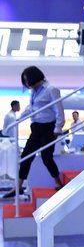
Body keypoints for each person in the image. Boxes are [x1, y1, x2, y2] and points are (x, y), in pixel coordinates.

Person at [0, 67, 64, 200]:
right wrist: (19, 119)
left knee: (46, 157)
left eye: (27, 80)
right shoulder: (34, 92)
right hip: (36, 128)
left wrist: (58, 127)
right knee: (26, 156)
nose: (26, 83)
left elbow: (58, 110)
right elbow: (31, 108)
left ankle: (58, 181)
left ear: (34, 77)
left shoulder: (51, 90)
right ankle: (18, 186)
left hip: (48, 128)